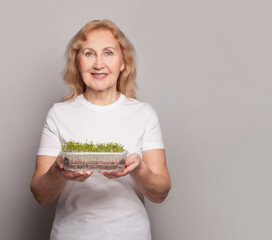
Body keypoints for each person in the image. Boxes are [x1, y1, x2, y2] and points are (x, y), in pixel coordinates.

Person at [30, 19, 171, 240]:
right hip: (71, 234)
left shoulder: (144, 114)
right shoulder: (58, 114)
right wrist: (58, 170)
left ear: (123, 62)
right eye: (89, 54)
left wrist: (139, 169)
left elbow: (161, 192)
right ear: (77, 62)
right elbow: (40, 195)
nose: (98, 64)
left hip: (130, 233)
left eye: (108, 53)